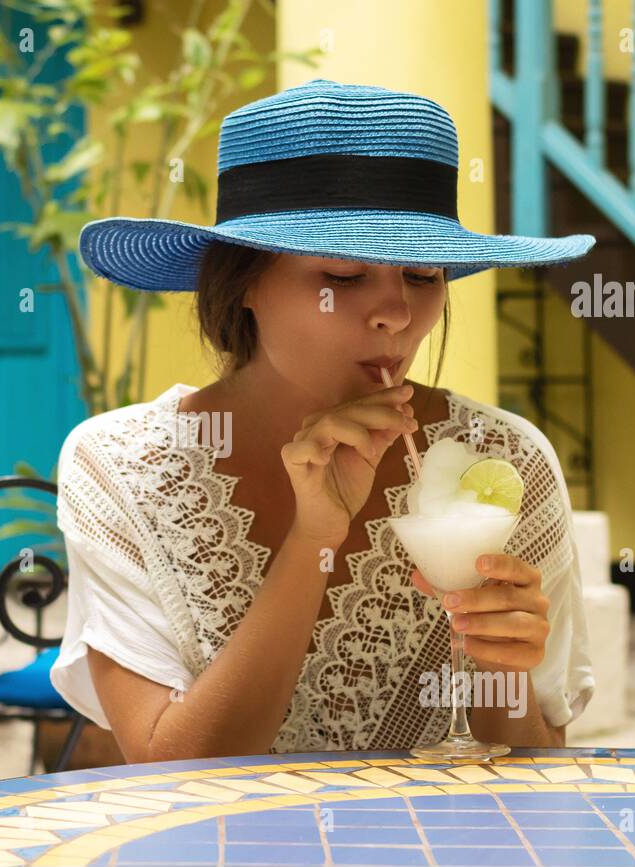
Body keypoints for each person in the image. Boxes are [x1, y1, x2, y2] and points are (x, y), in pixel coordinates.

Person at [49, 78, 596, 762]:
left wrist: (500, 664)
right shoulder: (122, 466)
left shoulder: (502, 460)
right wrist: (314, 536)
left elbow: (535, 773)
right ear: (242, 280)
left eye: (423, 278)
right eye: (343, 275)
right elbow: (178, 771)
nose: (396, 314)